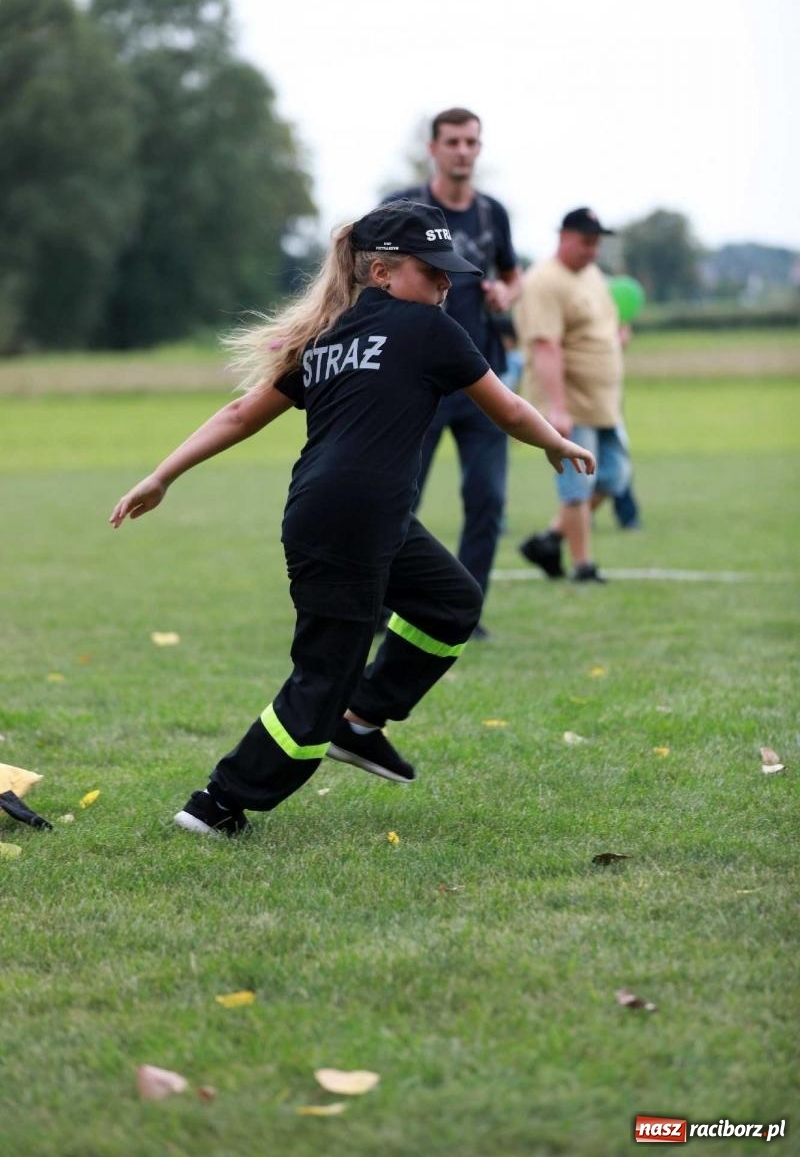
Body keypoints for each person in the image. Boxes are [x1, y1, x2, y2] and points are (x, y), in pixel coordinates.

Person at [109, 200, 594, 836]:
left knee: (450, 603)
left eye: (451, 272)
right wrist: (555, 443)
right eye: (433, 271)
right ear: (383, 273)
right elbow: (504, 409)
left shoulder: (327, 336)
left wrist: (163, 474)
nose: (447, 283)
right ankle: (217, 803)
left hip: (338, 513)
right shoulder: (429, 331)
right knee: (321, 681)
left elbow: (236, 416)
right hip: (354, 522)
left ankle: (361, 721)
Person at [383, 107, 523, 636]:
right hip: (415, 383)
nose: (463, 150)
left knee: (486, 501)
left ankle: (466, 610)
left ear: (478, 149)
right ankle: (381, 600)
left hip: (481, 379)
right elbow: (360, 272)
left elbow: (514, 275)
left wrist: (504, 294)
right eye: (453, 142)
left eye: (471, 142)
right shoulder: (402, 210)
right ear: (433, 149)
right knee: (398, 496)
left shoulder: (493, 215)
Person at [515, 206, 633, 583]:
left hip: (604, 403)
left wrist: (616, 339)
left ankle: (549, 540)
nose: (592, 250)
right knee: (577, 486)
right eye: (586, 242)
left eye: (596, 243)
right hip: (571, 403)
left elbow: (601, 323)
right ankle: (584, 566)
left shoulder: (592, 274)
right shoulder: (544, 281)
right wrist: (556, 408)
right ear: (564, 237)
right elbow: (545, 346)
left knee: (613, 478)